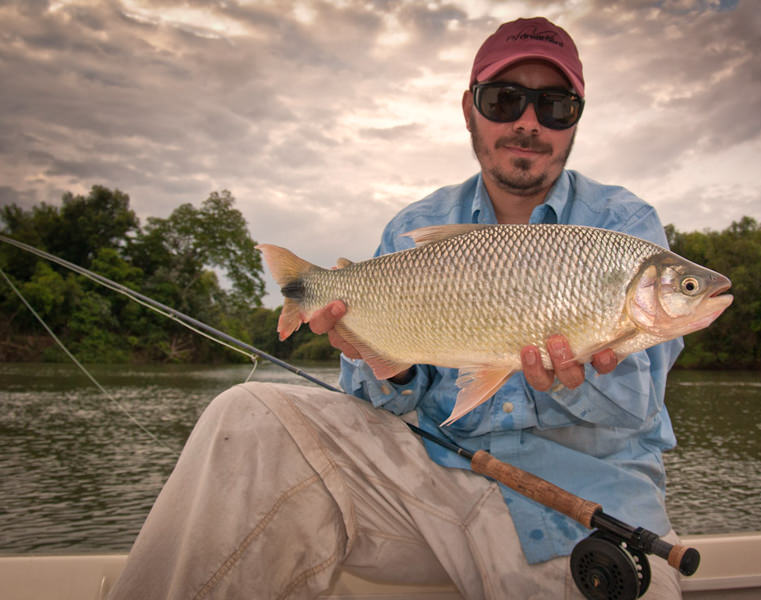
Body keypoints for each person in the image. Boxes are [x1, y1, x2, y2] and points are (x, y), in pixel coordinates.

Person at [110, 17, 684, 600]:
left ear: (576, 118)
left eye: (555, 106)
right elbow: (371, 406)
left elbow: (637, 406)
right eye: (505, 99)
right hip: (425, 493)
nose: (528, 122)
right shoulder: (412, 228)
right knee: (248, 414)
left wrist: (569, 381)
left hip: (587, 517)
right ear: (469, 109)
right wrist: (390, 363)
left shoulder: (624, 228)